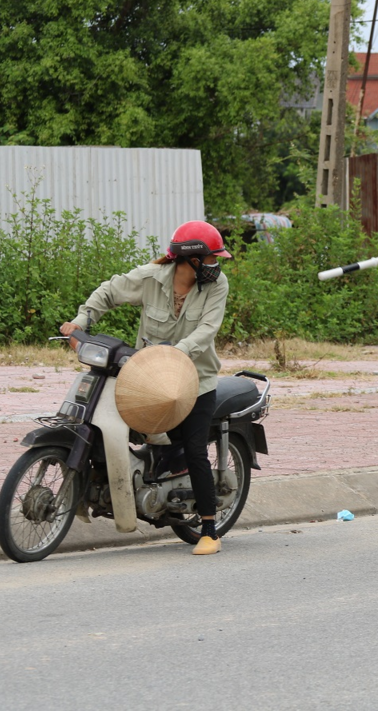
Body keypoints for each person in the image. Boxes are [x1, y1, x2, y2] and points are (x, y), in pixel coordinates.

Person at [60, 220, 232, 556]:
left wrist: (176, 353)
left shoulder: (217, 285)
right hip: (149, 378)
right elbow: (109, 291)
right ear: (192, 259)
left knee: (196, 451)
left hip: (195, 381)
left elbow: (207, 329)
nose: (216, 265)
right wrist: (81, 322)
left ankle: (210, 528)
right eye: (212, 258)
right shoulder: (151, 278)